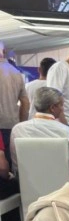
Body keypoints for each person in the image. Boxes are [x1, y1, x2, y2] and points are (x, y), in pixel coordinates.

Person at [10, 87, 69, 176]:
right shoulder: (67, 131)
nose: (63, 109)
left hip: (25, 182)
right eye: (61, 105)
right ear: (52, 108)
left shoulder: (18, 129)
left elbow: (16, 167)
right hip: (62, 182)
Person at [0, 41, 30, 169]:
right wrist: (21, 125)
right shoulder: (16, 73)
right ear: (4, 52)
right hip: (11, 126)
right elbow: (25, 103)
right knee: (9, 164)